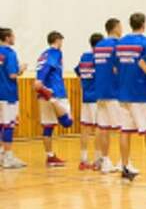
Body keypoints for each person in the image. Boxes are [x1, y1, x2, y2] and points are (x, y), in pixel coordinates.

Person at [116, 12, 146, 181]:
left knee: (125, 131)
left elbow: (115, 67)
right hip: (140, 93)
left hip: (123, 92)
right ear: (144, 24)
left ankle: (125, 167)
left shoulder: (120, 43)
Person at [35, 31, 74, 167]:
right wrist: (40, 81)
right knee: (67, 122)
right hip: (55, 91)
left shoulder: (43, 54)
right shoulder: (55, 52)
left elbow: (42, 67)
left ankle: (50, 156)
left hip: (43, 93)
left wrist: (40, 82)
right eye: (61, 41)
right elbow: (48, 66)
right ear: (57, 40)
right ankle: (51, 99)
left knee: (48, 127)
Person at [94, 18, 124, 173]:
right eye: (121, 26)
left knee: (104, 128)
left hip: (100, 91)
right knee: (123, 128)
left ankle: (105, 161)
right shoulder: (117, 45)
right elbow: (120, 67)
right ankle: (123, 161)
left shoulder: (99, 46)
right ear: (116, 28)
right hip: (114, 91)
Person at [74, 33, 104, 170]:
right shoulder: (99, 58)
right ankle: (98, 159)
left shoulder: (84, 57)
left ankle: (83, 159)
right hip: (96, 97)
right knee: (99, 128)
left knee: (85, 128)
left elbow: (78, 72)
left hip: (86, 96)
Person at [0, 27, 27, 168]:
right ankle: (8, 157)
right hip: (8, 93)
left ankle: (2, 154)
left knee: (1, 125)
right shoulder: (10, 53)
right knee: (8, 125)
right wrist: (21, 69)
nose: (14, 38)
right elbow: (12, 75)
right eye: (13, 36)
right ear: (7, 38)